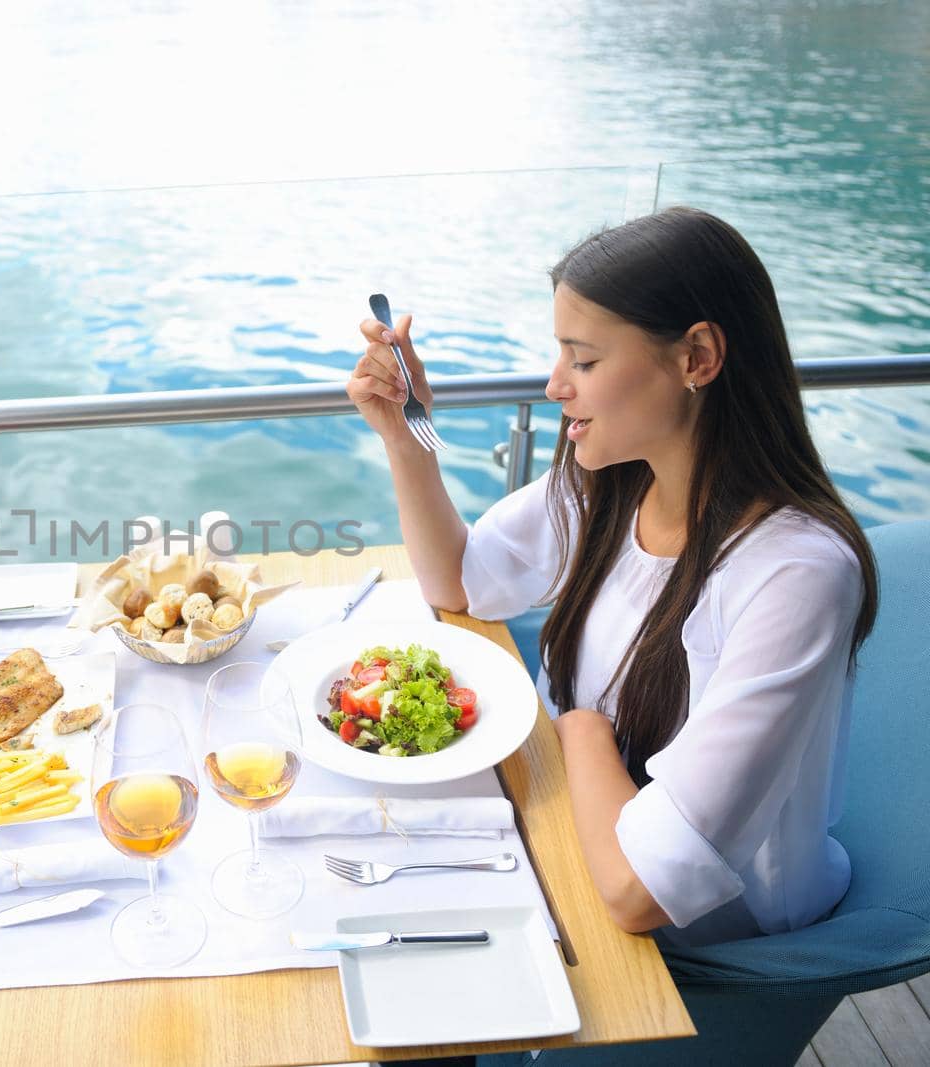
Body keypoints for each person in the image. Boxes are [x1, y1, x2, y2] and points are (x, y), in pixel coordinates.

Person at [346, 206, 878, 947]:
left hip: (707, 941)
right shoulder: (618, 480)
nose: (555, 384)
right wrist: (407, 438)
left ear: (697, 357)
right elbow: (461, 583)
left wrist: (582, 727)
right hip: (571, 826)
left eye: (584, 360)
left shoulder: (794, 574)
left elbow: (642, 888)